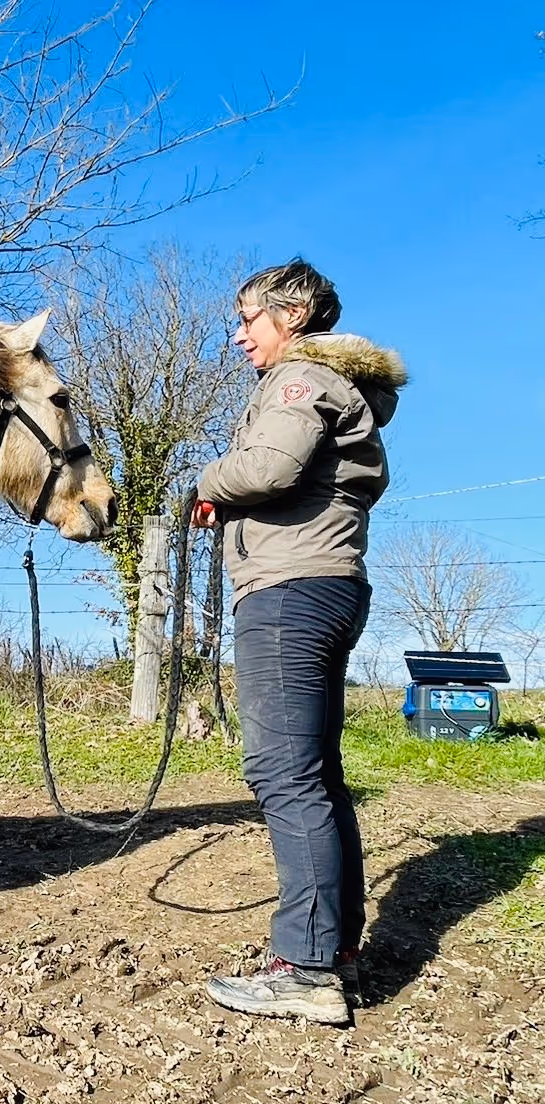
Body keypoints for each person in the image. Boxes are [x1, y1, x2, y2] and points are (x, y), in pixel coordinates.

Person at [193, 259, 406, 1024]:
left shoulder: (299, 380)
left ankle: (308, 969)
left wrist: (207, 480)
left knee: (284, 773)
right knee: (316, 774)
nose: (239, 333)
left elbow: (271, 466)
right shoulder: (333, 386)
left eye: (248, 318)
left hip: (289, 594)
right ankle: (333, 953)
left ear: (294, 313)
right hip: (328, 584)